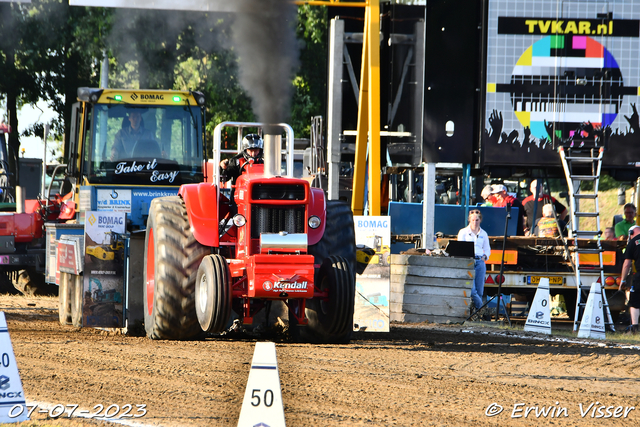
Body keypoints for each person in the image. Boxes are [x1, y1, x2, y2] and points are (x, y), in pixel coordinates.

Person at [457, 209, 491, 310]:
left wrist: (485, 256)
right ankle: (482, 309)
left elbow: (487, 248)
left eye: (477, 220)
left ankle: (477, 313)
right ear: (469, 220)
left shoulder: (483, 233)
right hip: (469, 262)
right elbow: (460, 247)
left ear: (480, 220)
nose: (475, 222)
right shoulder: (463, 232)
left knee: (480, 290)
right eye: (473, 220)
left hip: (480, 261)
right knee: (472, 290)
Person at [619, 225, 640, 333]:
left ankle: (635, 327)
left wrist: (623, 280)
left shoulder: (633, 242)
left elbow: (627, 264)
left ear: (631, 233)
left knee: (634, 301)